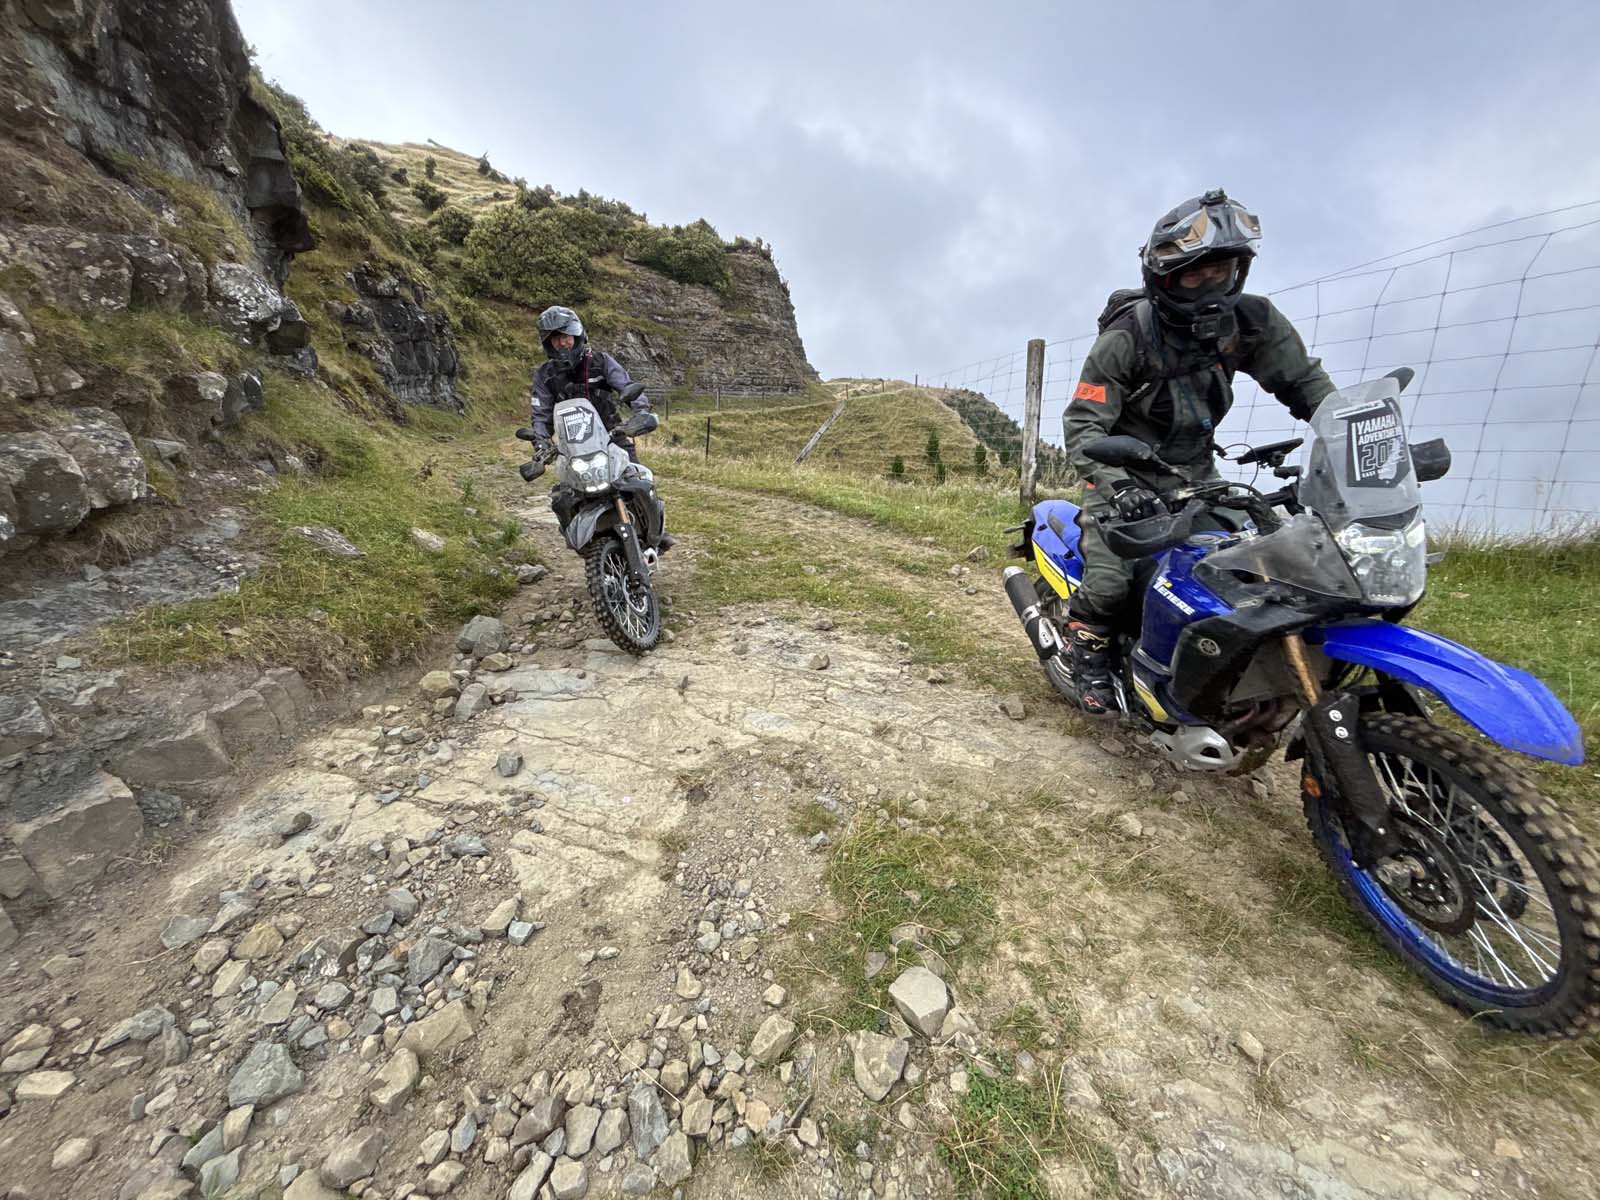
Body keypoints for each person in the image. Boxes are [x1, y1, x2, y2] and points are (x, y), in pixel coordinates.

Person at [1060, 189, 1336, 716]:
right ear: (1165, 278)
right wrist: (1117, 486)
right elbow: (1084, 422)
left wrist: (1357, 436)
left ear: (1239, 271)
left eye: (1222, 272)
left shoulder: (1251, 322)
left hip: (1197, 472)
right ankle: (1086, 644)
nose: (1211, 286)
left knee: (1262, 563)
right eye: (1195, 276)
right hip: (1122, 471)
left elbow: (1306, 384)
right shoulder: (1127, 336)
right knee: (1112, 581)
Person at [529, 305, 651, 462]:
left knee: (637, 475)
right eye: (555, 339)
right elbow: (540, 415)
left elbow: (626, 385)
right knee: (563, 479)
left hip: (611, 437)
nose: (562, 343)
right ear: (548, 344)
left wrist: (641, 412)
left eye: (565, 336)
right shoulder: (545, 375)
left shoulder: (600, 361)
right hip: (573, 449)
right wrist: (541, 442)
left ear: (577, 335)